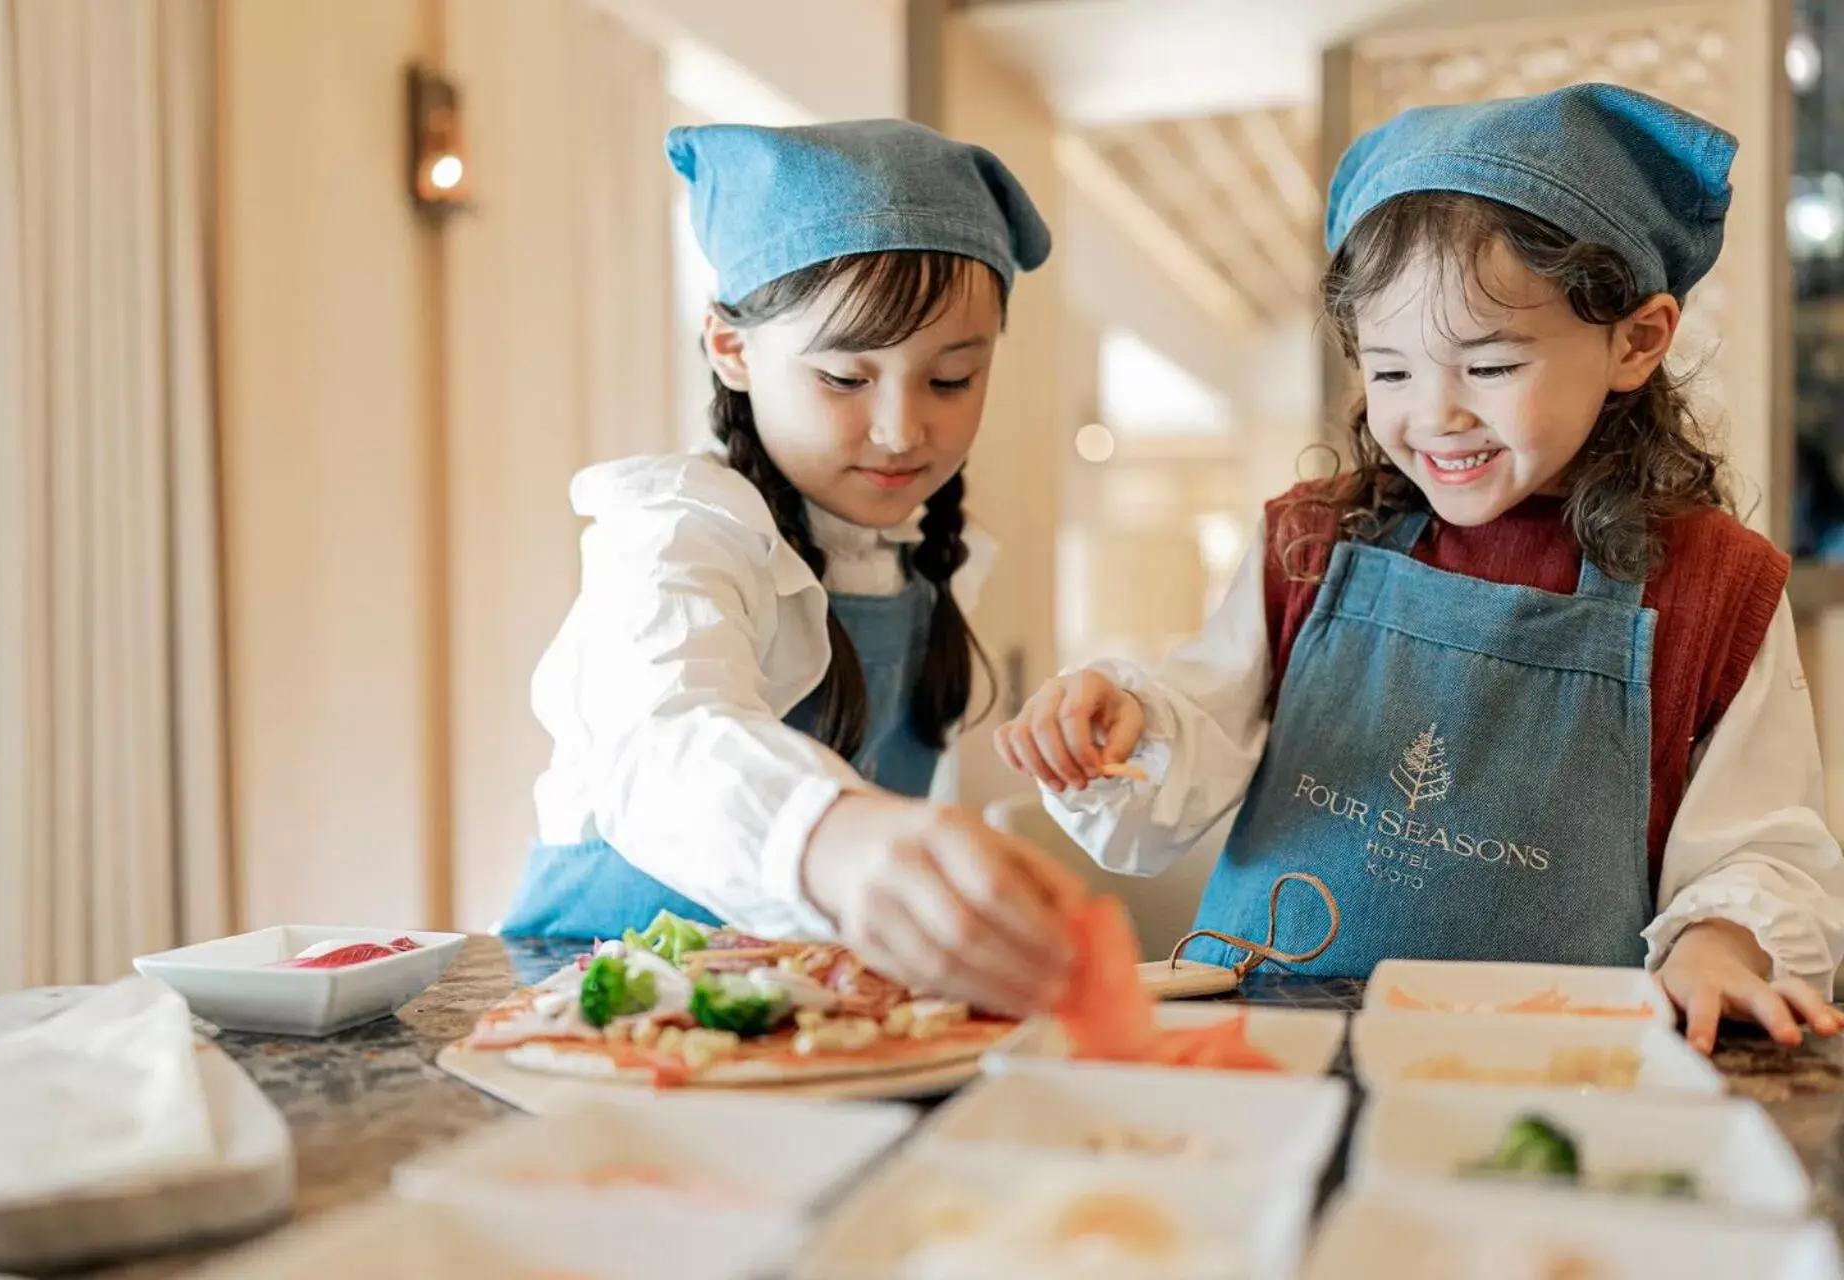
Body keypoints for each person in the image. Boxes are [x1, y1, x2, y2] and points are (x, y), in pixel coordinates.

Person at [998, 84, 1844, 1050]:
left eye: (1489, 367)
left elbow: (1762, 848)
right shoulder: (1313, 540)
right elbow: (1196, 723)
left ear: (1636, 340)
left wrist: (1721, 945)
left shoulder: (1715, 586)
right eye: (1391, 370)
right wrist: (1125, 722)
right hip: (1265, 1054)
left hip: (1544, 1068)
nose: (1434, 416)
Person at [503, 120, 1075, 1017]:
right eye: (846, 379)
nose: (901, 430)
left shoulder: (929, 563)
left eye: (952, 380)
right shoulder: (678, 531)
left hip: (818, 1027)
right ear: (732, 350)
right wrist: (830, 841)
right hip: (603, 1017)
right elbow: (666, 737)